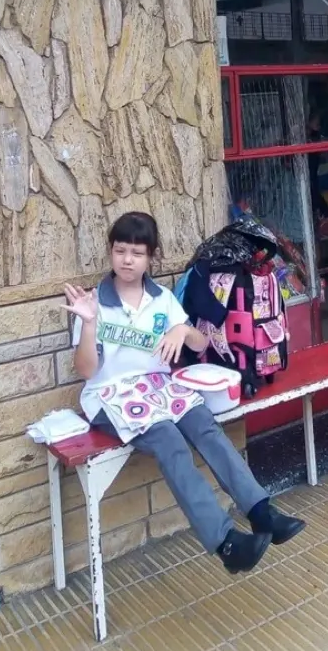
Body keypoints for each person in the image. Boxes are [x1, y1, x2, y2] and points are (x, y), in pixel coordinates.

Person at [64, 211, 305, 574]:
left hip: (158, 389)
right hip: (109, 397)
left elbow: (200, 338)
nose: (127, 260)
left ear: (151, 257)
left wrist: (182, 332)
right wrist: (89, 323)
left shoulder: (160, 298)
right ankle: (225, 543)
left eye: (137, 253)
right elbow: (86, 371)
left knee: (204, 425)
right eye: (120, 251)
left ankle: (261, 513)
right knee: (170, 441)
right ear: (111, 253)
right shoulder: (94, 302)